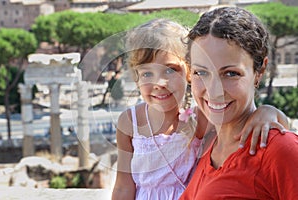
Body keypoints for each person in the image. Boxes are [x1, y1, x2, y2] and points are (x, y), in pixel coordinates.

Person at [112, 18, 289, 200]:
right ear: (136, 78)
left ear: (189, 72)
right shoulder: (130, 121)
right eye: (147, 73)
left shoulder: (202, 117)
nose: (158, 83)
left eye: (170, 70)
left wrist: (268, 111)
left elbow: (247, 123)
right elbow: (123, 186)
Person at [180, 7, 298, 199]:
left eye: (231, 73)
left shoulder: (280, 149)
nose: (213, 90)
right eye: (201, 72)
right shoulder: (210, 148)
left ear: (259, 71)